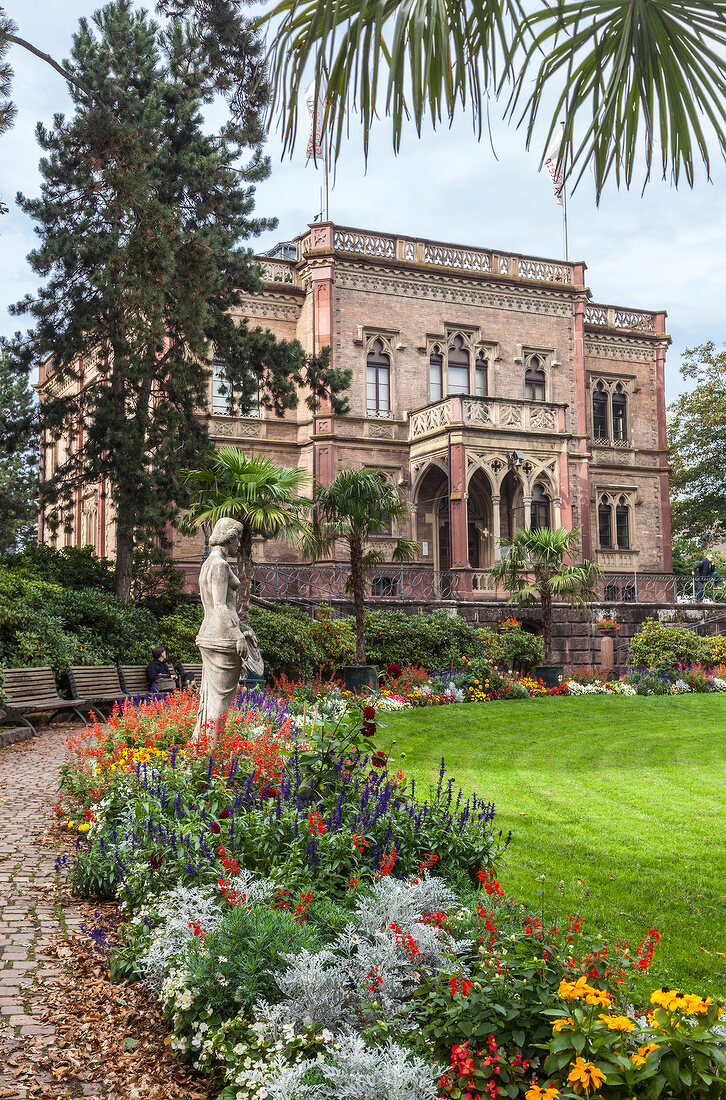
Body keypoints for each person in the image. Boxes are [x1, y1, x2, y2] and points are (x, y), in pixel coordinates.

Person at [192, 517, 263, 743]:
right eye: (238, 540)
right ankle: (212, 751)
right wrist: (237, 636)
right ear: (229, 538)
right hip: (222, 639)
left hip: (209, 634)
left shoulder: (208, 564)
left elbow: (220, 608)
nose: (239, 545)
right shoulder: (221, 565)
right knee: (220, 701)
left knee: (210, 698)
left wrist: (243, 628)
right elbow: (221, 606)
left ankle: (200, 745)